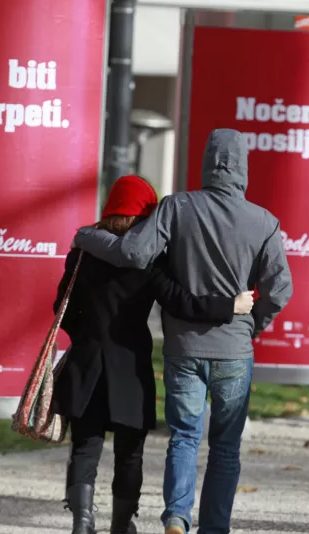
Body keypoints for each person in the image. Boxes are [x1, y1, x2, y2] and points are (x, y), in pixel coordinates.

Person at [71, 129, 293, 534]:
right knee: (225, 448)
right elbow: (279, 290)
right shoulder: (264, 221)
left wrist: (87, 235)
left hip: (183, 347)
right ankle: (214, 528)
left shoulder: (177, 207)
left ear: (206, 163)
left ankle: (176, 516)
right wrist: (253, 325)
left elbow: (134, 252)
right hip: (234, 350)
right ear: (243, 167)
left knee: (185, 437)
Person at [52, 175, 256, 534]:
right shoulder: (149, 260)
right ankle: (121, 525)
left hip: (87, 362)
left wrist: (86, 335)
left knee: (85, 446)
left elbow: (62, 310)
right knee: (130, 452)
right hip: (130, 365)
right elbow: (180, 302)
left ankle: (82, 522)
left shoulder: (82, 253)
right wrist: (230, 305)